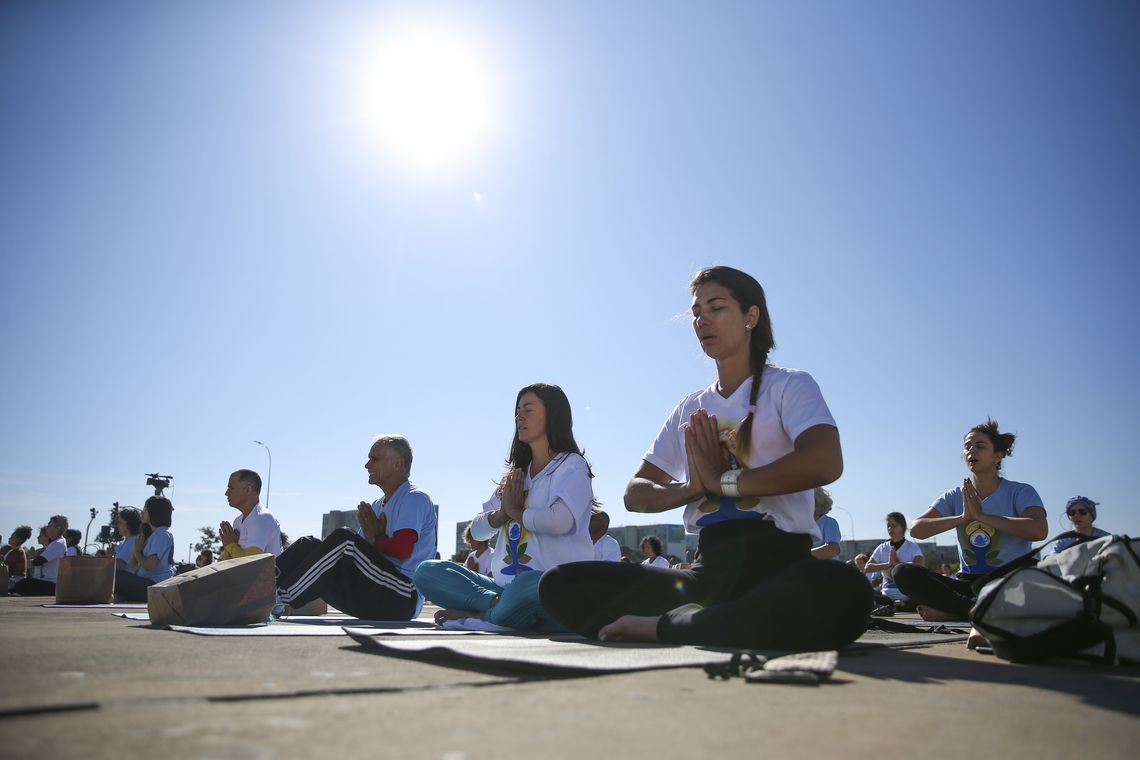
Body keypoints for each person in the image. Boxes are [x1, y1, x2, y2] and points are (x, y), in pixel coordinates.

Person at [538, 266, 870, 649]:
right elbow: (636, 493)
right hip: (707, 574)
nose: (702, 320)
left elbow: (825, 461)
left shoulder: (790, 385)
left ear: (751, 316)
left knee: (845, 590)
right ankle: (716, 621)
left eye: (716, 307)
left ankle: (670, 627)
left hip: (781, 565)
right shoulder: (689, 407)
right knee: (561, 584)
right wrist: (692, 488)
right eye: (697, 312)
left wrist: (724, 482)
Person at [415, 383, 596, 632]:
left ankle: (486, 614)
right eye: (517, 410)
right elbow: (476, 533)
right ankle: (496, 607)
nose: (519, 416)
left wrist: (516, 513)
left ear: (553, 414)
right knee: (427, 571)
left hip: (552, 588)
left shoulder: (572, 465)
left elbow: (560, 521)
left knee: (532, 584)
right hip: (503, 590)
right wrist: (502, 513)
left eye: (528, 409)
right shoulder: (515, 476)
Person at [894, 419, 1047, 621]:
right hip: (970, 584)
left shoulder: (1020, 491)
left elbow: (1038, 530)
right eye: (967, 446)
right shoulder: (955, 495)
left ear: (998, 456)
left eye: (980, 446)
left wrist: (983, 517)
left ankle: (961, 612)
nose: (971, 451)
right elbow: (917, 530)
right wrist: (962, 518)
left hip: (1009, 580)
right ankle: (978, 610)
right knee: (902, 572)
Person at [274, 435, 437, 620]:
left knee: (344, 538)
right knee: (308, 545)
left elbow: (402, 549)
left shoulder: (414, 498)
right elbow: (359, 552)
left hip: (403, 596)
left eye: (375, 459)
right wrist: (372, 539)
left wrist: (375, 539)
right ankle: (259, 588)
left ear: (397, 464)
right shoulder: (377, 505)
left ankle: (277, 600)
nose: (367, 465)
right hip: (375, 586)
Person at [115, 497, 176, 602]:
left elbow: (148, 565)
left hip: (154, 585)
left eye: (145, 509)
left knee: (115, 576)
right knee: (113, 574)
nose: (142, 513)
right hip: (146, 582)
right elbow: (133, 565)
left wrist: (138, 551)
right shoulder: (152, 535)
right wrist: (136, 552)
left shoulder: (162, 535)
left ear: (153, 512)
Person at [863, 512, 925, 607]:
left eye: (894, 525)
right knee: (865, 592)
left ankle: (901, 604)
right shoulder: (882, 548)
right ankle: (893, 604)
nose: (890, 528)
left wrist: (898, 563)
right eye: (888, 526)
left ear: (902, 527)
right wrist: (887, 564)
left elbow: (920, 565)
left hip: (908, 596)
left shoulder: (913, 547)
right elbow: (867, 567)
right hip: (886, 596)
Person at [219, 469, 282, 560]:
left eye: (231, 488)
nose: (226, 493)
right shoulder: (238, 521)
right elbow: (230, 563)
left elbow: (250, 563)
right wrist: (230, 547)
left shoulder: (261, 518)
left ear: (248, 490)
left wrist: (230, 545)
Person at [11, 516, 70, 596]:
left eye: (49, 525)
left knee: (23, 583)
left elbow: (39, 561)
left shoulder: (58, 544)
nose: (47, 528)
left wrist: (21, 564)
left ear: (57, 527)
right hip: (49, 583)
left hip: (51, 584)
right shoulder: (57, 543)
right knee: (22, 584)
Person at [811, 486, 842, 559]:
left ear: (818, 503)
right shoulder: (801, 525)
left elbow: (832, 549)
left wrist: (803, 554)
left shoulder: (829, 522)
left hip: (827, 569)